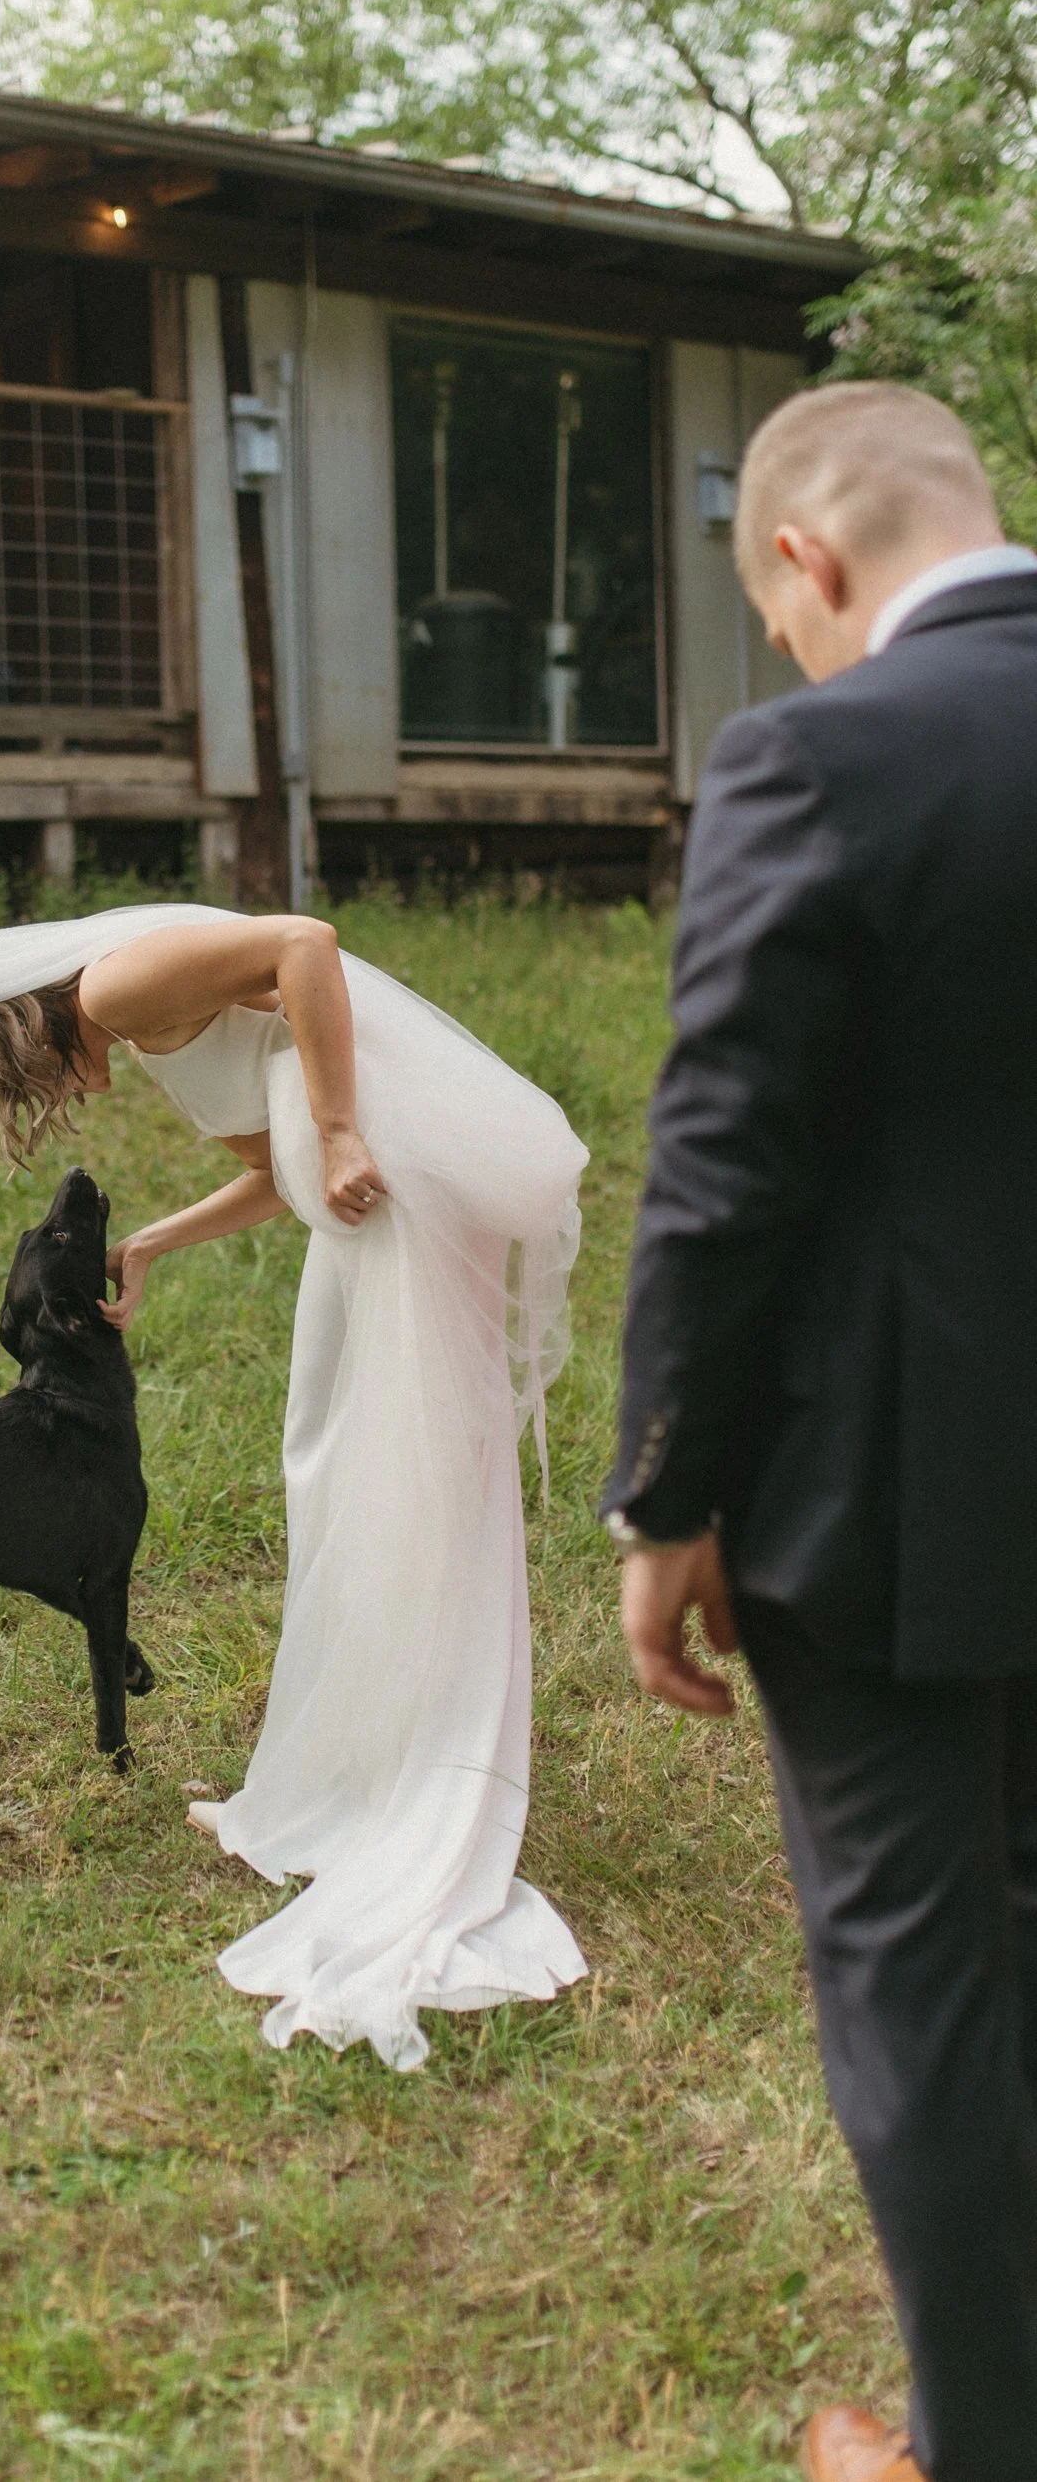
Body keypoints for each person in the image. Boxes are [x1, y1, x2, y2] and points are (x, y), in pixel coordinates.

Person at [601, 381, 1037, 2482]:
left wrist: (665, 1491)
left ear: (806, 558)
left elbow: (720, 1167)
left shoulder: (821, 752)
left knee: (921, 1979)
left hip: (898, 1506)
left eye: (774, 606)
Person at [0, 905, 588, 2070]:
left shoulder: (116, 990)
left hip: (386, 1187)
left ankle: (416, 1790)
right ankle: (349, 1781)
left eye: (28, 1070)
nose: (58, 1089)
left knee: (407, 1490)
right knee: (341, 1480)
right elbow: (266, 1172)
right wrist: (152, 1242)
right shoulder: (140, 1028)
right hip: (355, 1213)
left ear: (28, 1020)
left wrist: (338, 1132)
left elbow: (307, 944)